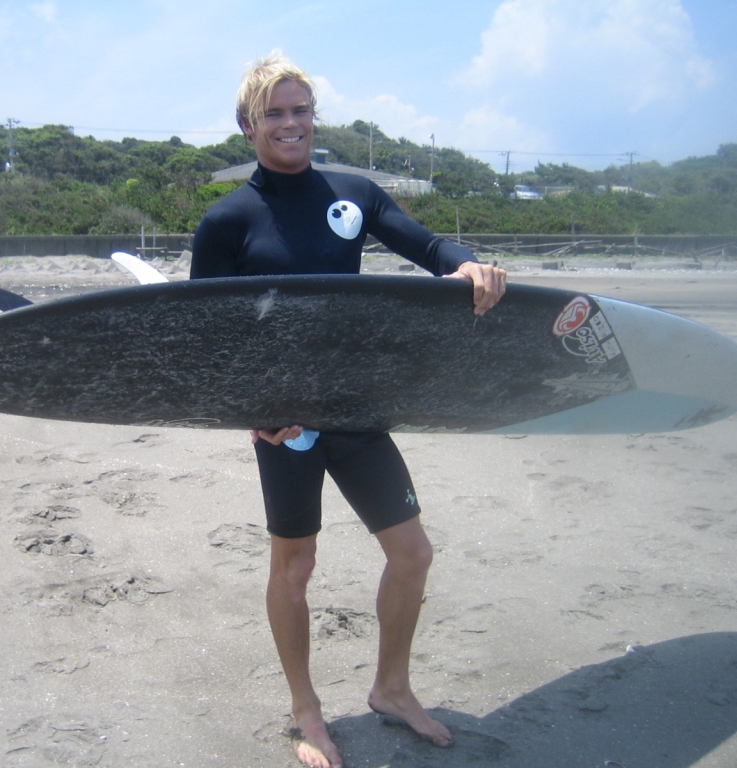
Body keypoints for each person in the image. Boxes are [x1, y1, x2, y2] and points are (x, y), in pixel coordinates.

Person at [189, 52, 506, 768]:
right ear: (248, 126)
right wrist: (252, 411)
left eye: (301, 110)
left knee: (412, 553)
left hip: (355, 405)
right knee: (295, 565)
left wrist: (467, 263)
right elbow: (207, 335)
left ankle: (391, 688)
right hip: (286, 422)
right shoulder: (227, 220)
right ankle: (306, 710)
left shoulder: (353, 194)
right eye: (274, 113)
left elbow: (427, 245)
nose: (291, 123)